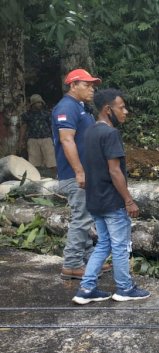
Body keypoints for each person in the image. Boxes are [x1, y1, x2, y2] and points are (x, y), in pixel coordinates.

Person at [72, 88, 150, 304]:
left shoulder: (89, 132)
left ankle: (86, 288)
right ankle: (124, 288)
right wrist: (129, 200)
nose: (125, 112)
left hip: (94, 199)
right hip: (112, 200)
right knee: (120, 245)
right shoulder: (111, 134)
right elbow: (115, 171)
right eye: (121, 107)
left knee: (104, 244)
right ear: (108, 109)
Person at [52, 68, 111, 279]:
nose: (91, 89)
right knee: (81, 218)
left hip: (86, 173)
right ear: (73, 85)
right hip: (74, 174)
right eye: (86, 85)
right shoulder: (66, 108)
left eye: (93, 85)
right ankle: (72, 264)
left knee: (87, 218)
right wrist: (79, 172)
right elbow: (67, 140)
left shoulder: (81, 107)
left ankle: (87, 259)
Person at [19, 94, 56, 176]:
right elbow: (23, 127)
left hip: (46, 139)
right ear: (32, 104)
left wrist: (54, 138)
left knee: (51, 161)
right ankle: (36, 177)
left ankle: (55, 177)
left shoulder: (47, 114)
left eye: (40, 102)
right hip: (32, 140)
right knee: (34, 162)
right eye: (37, 103)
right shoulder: (27, 115)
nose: (39, 104)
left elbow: (52, 126)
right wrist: (21, 141)